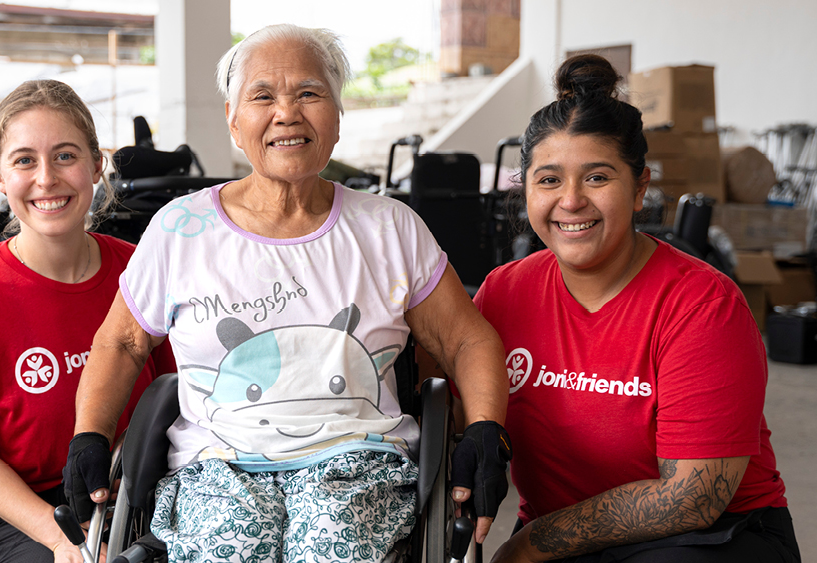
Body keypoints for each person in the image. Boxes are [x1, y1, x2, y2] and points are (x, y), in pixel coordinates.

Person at [63, 24, 510, 562]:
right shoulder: (179, 228)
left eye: (309, 93)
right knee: (228, 542)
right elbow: (123, 343)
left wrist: (485, 429)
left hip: (357, 461)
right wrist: (89, 433)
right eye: (262, 96)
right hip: (215, 464)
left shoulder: (389, 227)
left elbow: (466, 339)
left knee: (334, 536)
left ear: (338, 117)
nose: (287, 113)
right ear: (233, 120)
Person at [474, 54, 800, 563]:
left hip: (711, 539)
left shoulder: (701, 304)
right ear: (527, 190)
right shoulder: (502, 293)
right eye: (549, 179)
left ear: (640, 188)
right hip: (566, 537)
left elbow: (693, 499)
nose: (572, 201)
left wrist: (528, 544)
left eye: (598, 178)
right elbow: (453, 414)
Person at [0, 79, 175, 563]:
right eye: (24, 160)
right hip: (24, 511)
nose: (46, 179)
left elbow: (178, 390)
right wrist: (63, 540)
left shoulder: (144, 270)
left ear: (97, 165)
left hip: (139, 491)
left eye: (65, 156)